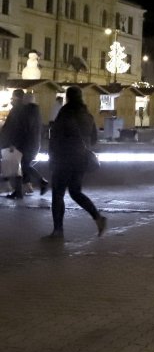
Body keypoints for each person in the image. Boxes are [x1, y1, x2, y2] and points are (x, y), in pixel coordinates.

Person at [46, 85, 107, 240]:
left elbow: (55, 136)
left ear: (68, 97)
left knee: (58, 194)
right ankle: (98, 217)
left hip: (64, 158)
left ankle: (58, 230)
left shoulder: (65, 113)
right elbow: (94, 139)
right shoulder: (87, 115)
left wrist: (52, 156)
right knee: (75, 191)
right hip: (80, 159)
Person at [1, 89, 47, 198]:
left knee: (21, 165)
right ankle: (20, 190)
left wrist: (12, 142)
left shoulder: (23, 111)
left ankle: (40, 182)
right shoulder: (35, 111)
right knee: (20, 166)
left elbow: (18, 128)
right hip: (33, 143)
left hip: (24, 144)